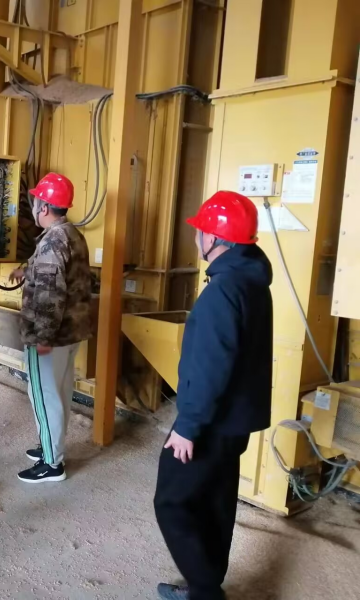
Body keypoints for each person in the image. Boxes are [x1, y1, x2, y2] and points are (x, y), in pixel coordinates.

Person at [153, 191, 273, 600]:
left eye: (200, 230)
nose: (196, 237)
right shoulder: (252, 282)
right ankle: (207, 583)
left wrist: (188, 426)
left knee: (172, 501)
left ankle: (204, 591)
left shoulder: (223, 290)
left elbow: (210, 366)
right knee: (215, 500)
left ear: (215, 239)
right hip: (236, 419)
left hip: (212, 421)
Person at [9, 172, 92, 483]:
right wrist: (26, 271)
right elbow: (62, 274)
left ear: (43, 207)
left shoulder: (51, 242)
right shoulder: (71, 234)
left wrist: (42, 337)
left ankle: (51, 463)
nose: (33, 207)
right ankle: (51, 445)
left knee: (44, 396)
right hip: (72, 332)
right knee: (59, 393)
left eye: (35, 202)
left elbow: (49, 294)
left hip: (50, 336)